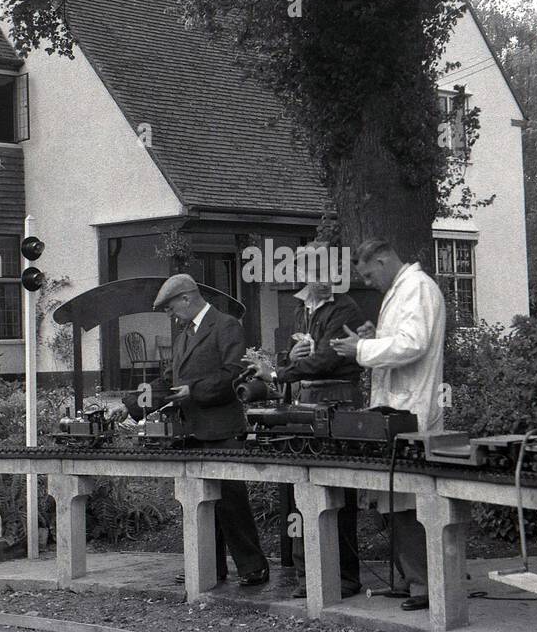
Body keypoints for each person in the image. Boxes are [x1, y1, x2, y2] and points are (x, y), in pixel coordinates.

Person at [330, 238, 445, 611]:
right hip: (395, 411)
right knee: (394, 502)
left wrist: (361, 351)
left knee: (407, 504)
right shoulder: (401, 290)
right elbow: (399, 342)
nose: (368, 282)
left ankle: (424, 585)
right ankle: (413, 579)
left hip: (412, 412)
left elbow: (413, 345)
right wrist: (373, 339)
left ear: (382, 260)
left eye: (367, 274)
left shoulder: (417, 289)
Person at [155, 273, 269, 587]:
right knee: (199, 502)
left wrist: (194, 390)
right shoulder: (184, 337)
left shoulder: (226, 325)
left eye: (170, 307)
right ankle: (207, 564)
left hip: (223, 429)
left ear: (186, 298)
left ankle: (253, 566)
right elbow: (168, 380)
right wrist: (130, 403)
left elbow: (234, 374)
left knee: (232, 501)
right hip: (192, 430)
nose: (169, 314)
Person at [274, 243, 365, 599]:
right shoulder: (300, 309)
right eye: (311, 271)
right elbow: (299, 355)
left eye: (324, 271)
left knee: (337, 488)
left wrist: (283, 370)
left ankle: (344, 576)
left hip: (339, 399)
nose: (320, 278)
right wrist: (289, 358)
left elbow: (328, 358)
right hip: (307, 398)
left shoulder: (345, 307)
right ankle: (306, 574)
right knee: (302, 489)